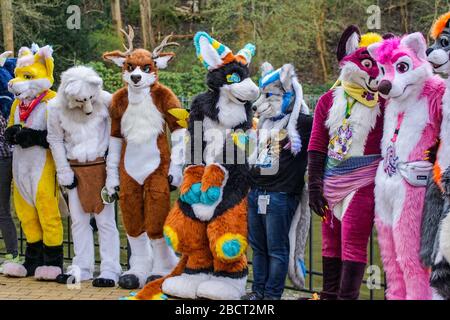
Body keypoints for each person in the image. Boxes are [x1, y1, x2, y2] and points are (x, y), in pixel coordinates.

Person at [243, 62, 312, 300]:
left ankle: (272, 296)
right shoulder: (267, 125)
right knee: (259, 248)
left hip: (281, 196)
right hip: (256, 193)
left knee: (277, 249)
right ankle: (258, 292)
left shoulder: (303, 123)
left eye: (270, 95)